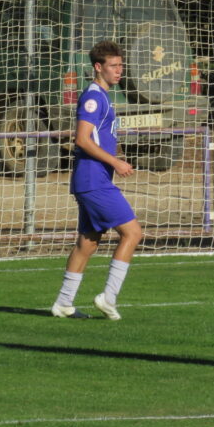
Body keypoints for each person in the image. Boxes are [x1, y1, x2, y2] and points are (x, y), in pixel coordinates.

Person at [51, 40, 141, 321]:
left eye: (121, 65)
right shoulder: (93, 98)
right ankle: (108, 297)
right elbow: (81, 139)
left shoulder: (103, 96)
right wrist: (115, 161)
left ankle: (64, 303)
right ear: (98, 68)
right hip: (94, 181)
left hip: (93, 179)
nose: (119, 70)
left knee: (88, 242)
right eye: (114, 66)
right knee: (133, 233)